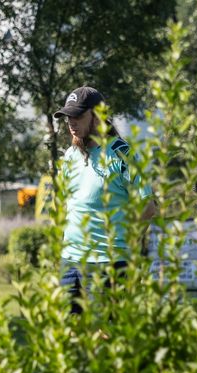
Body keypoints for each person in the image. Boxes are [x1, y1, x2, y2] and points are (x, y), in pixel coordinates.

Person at [52, 85, 149, 312]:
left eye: (78, 116)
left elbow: (148, 206)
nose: (71, 122)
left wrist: (128, 247)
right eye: (68, 117)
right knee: (68, 335)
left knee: (106, 336)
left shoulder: (121, 153)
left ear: (97, 117)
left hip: (109, 263)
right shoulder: (70, 156)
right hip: (71, 262)